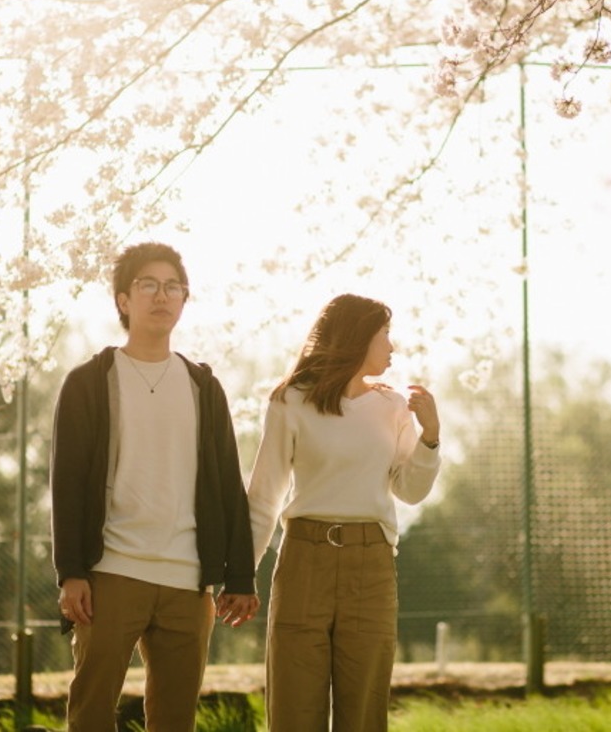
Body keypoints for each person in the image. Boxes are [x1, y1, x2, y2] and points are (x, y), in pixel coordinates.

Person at [49, 241, 259, 731]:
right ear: (123, 300)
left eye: (173, 287)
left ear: (184, 300)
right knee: (91, 714)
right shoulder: (88, 382)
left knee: (175, 719)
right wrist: (71, 571)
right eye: (148, 285)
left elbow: (229, 484)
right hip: (111, 574)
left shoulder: (203, 387)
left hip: (187, 582)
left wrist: (241, 576)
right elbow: (67, 481)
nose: (161, 296)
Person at [247, 293, 442, 732]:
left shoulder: (393, 407)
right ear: (357, 338)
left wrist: (430, 436)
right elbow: (264, 495)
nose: (392, 347)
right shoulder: (290, 400)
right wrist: (243, 573)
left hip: (370, 565)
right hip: (303, 561)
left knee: (364, 714)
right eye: (385, 335)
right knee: (294, 712)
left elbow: (409, 490)